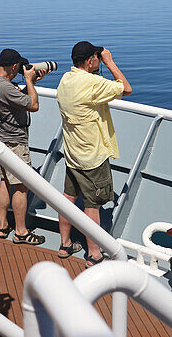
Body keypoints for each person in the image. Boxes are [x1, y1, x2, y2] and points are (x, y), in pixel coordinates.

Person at [55, 41, 132, 265]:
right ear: (90, 61)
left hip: (72, 153)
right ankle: (94, 254)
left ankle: (65, 244)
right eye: (97, 57)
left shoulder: (66, 80)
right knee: (92, 206)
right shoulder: (92, 83)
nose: (99, 59)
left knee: (68, 199)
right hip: (92, 158)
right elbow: (126, 89)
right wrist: (110, 62)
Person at [0, 49, 45, 245]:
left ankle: (3, 226)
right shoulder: (6, 88)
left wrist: (32, 82)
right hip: (15, 143)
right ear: (13, 67)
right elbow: (33, 105)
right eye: (19, 67)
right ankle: (21, 231)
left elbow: (17, 100)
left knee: (4, 181)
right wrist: (29, 80)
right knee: (20, 187)